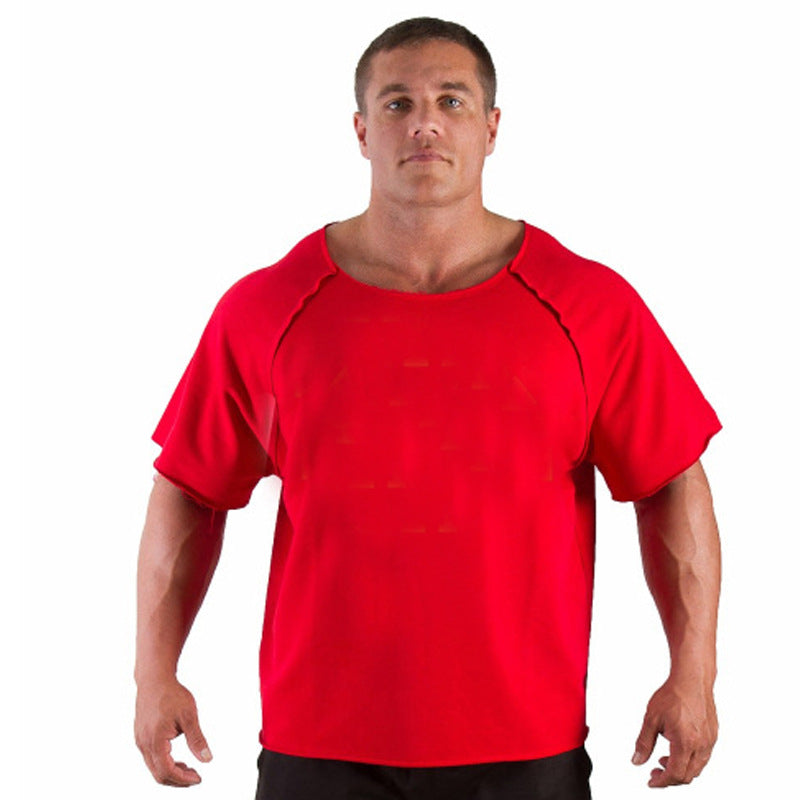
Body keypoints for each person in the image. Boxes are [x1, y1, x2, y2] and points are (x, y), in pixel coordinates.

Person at [134, 16, 722, 799]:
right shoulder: (266, 307)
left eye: (451, 100)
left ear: (492, 127)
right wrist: (154, 675)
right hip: (319, 742)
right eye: (397, 103)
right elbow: (189, 489)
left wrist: (694, 675)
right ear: (360, 130)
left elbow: (671, 482)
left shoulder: (590, 305)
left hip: (526, 747)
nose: (425, 124)